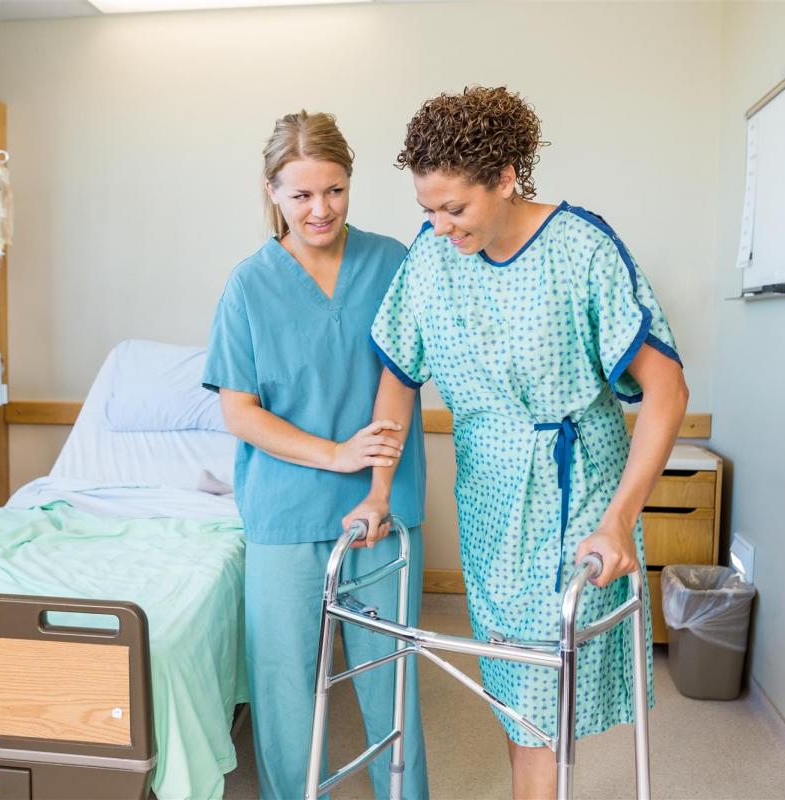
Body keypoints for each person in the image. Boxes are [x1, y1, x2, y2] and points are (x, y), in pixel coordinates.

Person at [345, 86, 689, 799]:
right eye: (427, 210)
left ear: (506, 178)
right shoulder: (433, 257)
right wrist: (377, 491)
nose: (440, 226)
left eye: (455, 208)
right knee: (513, 684)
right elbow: (397, 375)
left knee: (538, 694)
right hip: (489, 497)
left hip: (576, 495)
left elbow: (667, 388)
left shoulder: (581, 248)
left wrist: (619, 519)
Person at [202, 110, 430, 800]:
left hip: (383, 508)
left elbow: (404, 381)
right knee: (283, 687)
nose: (320, 209)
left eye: (333, 190)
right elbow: (239, 412)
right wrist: (334, 455)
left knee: (391, 679)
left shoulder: (393, 263)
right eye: (301, 195)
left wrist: (375, 484)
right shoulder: (248, 286)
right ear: (272, 192)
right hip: (284, 513)